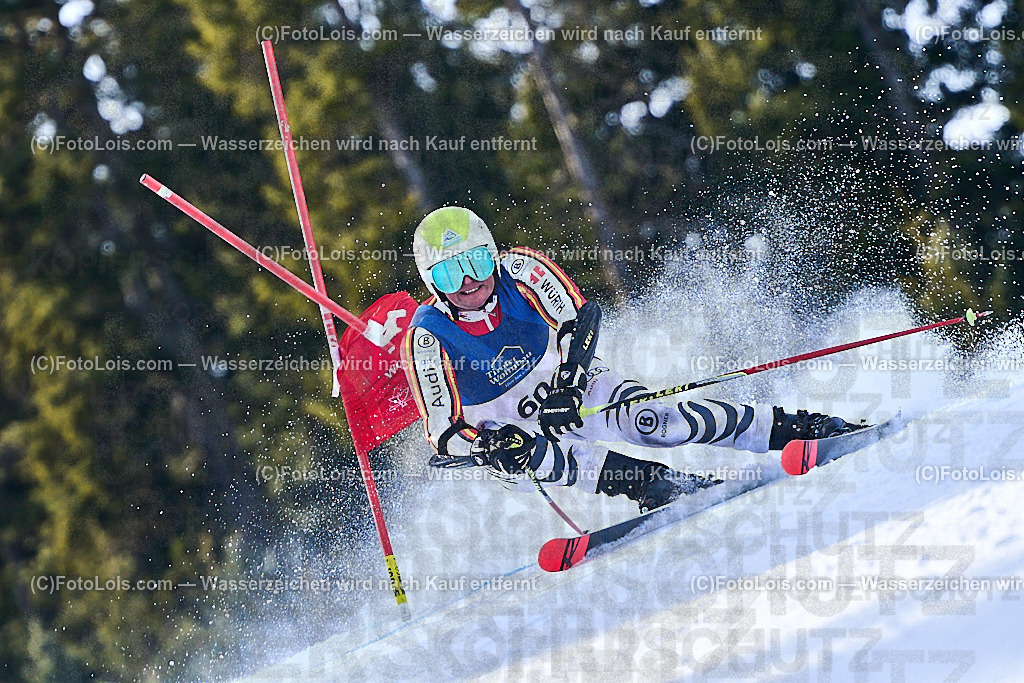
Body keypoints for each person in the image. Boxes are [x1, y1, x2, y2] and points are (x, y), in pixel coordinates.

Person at [401, 206, 865, 512]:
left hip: (564, 379)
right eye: (449, 271)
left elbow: (578, 319)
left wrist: (569, 383)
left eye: (477, 264)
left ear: (492, 255)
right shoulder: (426, 337)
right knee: (543, 455)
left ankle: (801, 429)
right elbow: (443, 433)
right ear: (430, 278)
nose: (468, 281)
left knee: (655, 422)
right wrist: (483, 447)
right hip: (505, 426)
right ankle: (653, 486)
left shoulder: (520, 269)